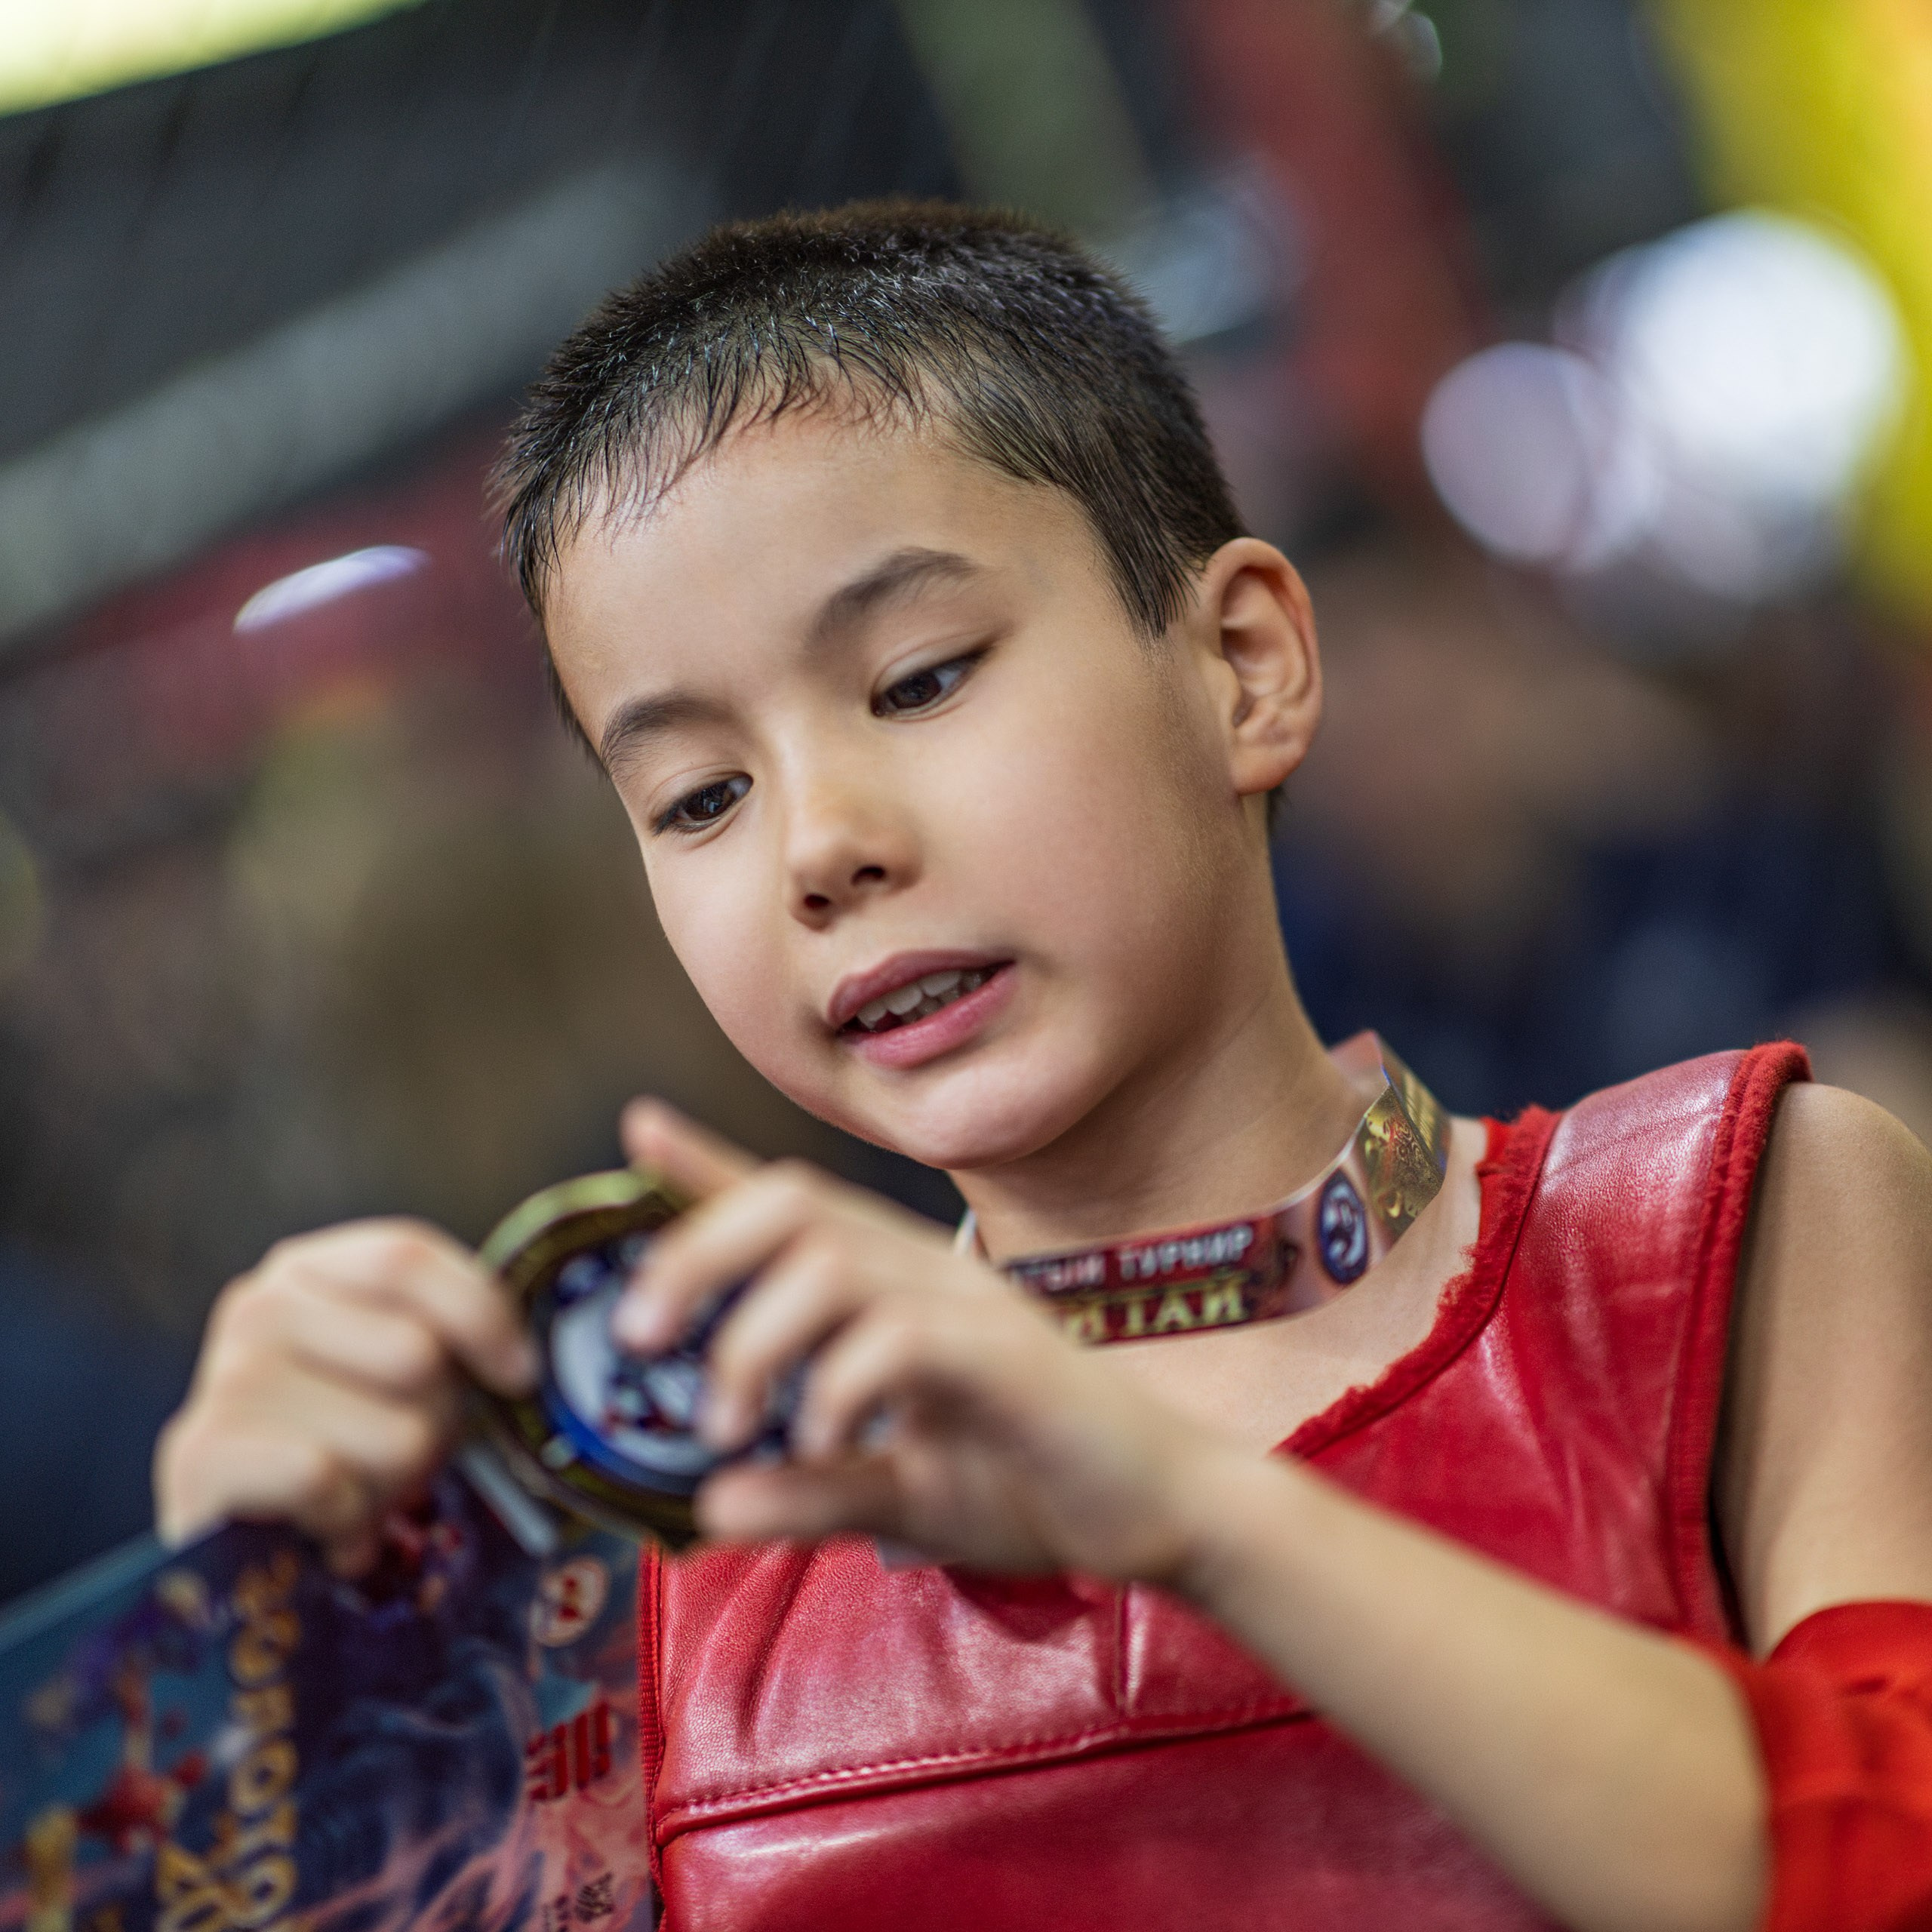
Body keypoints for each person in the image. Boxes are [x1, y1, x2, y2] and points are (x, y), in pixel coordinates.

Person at [155, 204, 1932, 1932]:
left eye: (920, 679)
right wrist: (260, 1680)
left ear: (1242, 663)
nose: (817, 844)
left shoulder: (1727, 1220)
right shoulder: (639, 1560)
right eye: (698, 796)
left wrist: (1189, 1504)